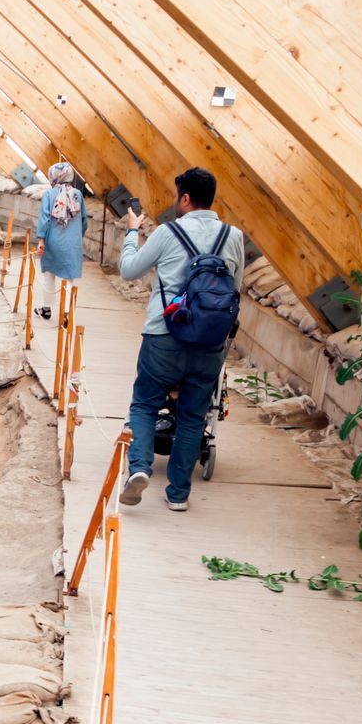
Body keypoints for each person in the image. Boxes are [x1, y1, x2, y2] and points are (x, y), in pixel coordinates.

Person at [116, 166, 245, 511]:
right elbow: (237, 288)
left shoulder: (168, 232)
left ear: (185, 198)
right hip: (209, 342)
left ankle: (140, 468)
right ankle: (178, 495)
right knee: (192, 415)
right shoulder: (233, 236)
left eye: (176, 197)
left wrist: (132, 232)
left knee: (144, 404)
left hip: (164, 333)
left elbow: (129, 270)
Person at [34, 162, 86, 289]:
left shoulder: (49, 194)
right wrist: (79, 235)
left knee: (49, 273)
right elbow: (83, 220)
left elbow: (44, 220)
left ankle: (47, 308)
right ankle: (67, 308)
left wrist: (41, 240)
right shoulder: (77, 194)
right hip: (73, 242)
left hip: (53, 241)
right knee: (69, 276)